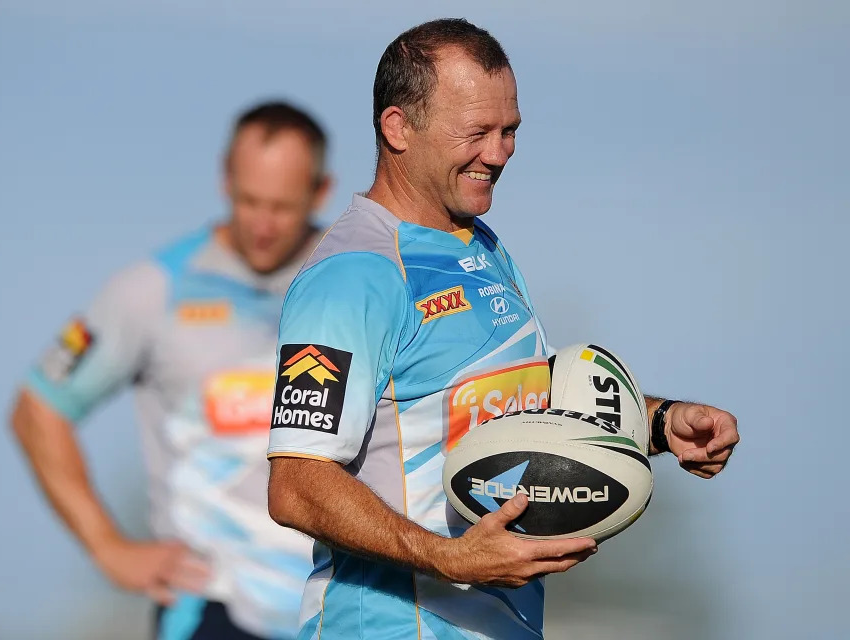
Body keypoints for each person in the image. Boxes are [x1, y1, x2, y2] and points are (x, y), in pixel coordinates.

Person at [266, 19, 740, 640]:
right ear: (398, 128)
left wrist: (658, 422)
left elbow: (530, 411)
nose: (499, 153)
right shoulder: (354, 275)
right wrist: (448, 557)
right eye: (477, 132)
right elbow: (297, 484)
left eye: (510, 130)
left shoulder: (481, 248)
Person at [10, 101, 332, 640]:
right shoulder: (153, 290)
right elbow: (37, 410)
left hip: (342, 605)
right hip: (209, 609)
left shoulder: (359, 279)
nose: (262, 225)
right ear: (224, 179)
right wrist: (108, 549)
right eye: (248, 201)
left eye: (282, 207)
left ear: (321, 192)